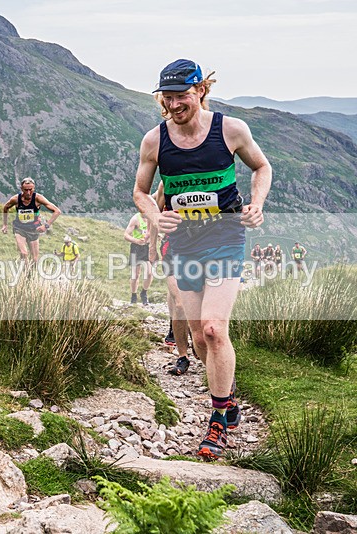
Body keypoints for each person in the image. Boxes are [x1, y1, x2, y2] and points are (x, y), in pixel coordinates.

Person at [133, 58, 272, 460]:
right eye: (167, 97)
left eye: (181, 96)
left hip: (225, 236)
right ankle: (228, 398)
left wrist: (257, 203)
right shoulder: (154, 141)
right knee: (197, 338)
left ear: (200, 91)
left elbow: (261, 167)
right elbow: (141, 192)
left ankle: (217, 422)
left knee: (213, 329)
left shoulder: (230, 130)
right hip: (184, 244)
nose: (174, 104)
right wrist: (156, 216)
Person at [150, 183, 190, 375]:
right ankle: (183, 355)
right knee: (180, 303)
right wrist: (152, 247)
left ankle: (196, 337)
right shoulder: (165, 182)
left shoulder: (207, 175)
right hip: (172, 247)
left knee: (193, 301)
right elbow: (153, 214)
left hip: (201, 246)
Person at [1, 177, 61, 264]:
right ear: (21, 189)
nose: (28, 192)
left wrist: (46, 226)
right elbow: (6, 207)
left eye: (31, 189)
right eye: (26, 190)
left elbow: (57, 211)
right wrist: (5, 225)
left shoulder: (38, 198)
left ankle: (31, 272)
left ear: (34, 188)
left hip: (34, 229)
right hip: (19, 228)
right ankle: (24, 271)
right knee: (23, 253)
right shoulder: (16, 199)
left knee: (35, 259)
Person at [123, 212, 152, 305]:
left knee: (149, 273)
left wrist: (157, 236)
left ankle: (144, 293)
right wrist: (136, 241)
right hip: (136, 247)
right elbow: (126, 235)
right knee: (135, 275)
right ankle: (133, 296)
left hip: (147, 247)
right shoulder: (135, 219)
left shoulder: (151, 217)